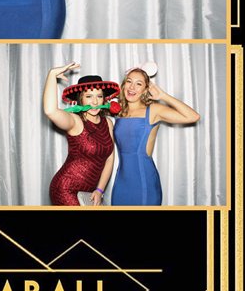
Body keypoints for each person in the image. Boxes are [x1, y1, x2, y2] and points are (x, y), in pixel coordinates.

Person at [111, 67, 200, 206]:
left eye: (138, 84)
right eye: (129, 81)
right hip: (121, 182)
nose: (132, 87)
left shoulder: (153, 110)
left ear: (145, 89)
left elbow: (193, 116)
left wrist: (163, 96)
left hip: (144, 182)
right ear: (123, 85)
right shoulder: (118, 110)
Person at [43, 64, 119, 206]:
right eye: (89, 96)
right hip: (65, 189)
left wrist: (100, 190)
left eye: (99, 96)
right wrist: (52, 75)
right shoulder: (75, 121)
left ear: (104, 99)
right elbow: (50, 111)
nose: (95, 102)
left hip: (88, 192)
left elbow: (109, 159)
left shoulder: (108, 123)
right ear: (81, 99)